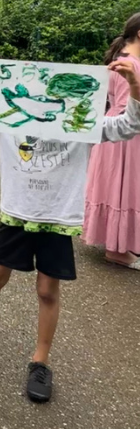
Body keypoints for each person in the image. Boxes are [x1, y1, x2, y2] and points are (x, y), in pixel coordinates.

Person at [0, 51, 140, 403]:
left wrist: (135, 88)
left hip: (57, 218)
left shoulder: (80, 122)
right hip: (17, 212)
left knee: (48, 290)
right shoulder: (10, 119)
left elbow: (127, 126)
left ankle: (40, 361)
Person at [83, 14, 140, 269]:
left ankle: (118, 243)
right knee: (124, 185)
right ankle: (117, 248)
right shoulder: (132, 64)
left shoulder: (123, 60)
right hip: (125, 134)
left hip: (114, 129)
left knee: (119, 184)